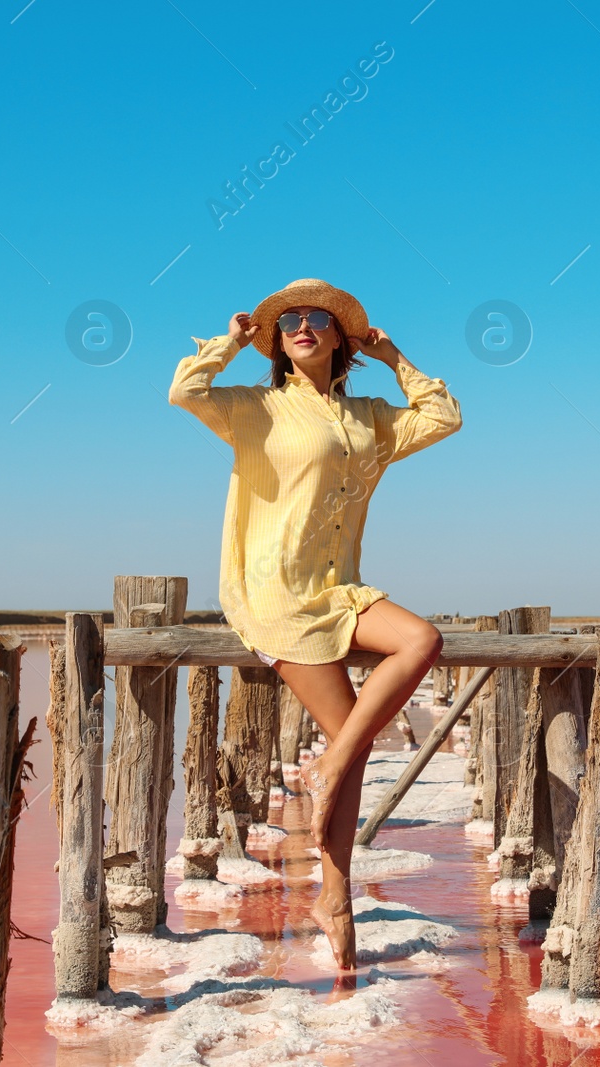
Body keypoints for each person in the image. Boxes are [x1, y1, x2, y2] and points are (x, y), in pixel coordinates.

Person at [167, 277, 463, 970]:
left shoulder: (370, 418)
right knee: (352, 745)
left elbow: (443, 415)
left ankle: (328, 785)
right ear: (279, 341)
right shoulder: (256, 407)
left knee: (421, 639)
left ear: (340, 336)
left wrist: (395, 359)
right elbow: (184, 390)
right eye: (290, 320)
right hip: (273, 593)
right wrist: (232, 341)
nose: (302, 325)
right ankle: (336, 891)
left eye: (317, 318)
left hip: (340, 590)